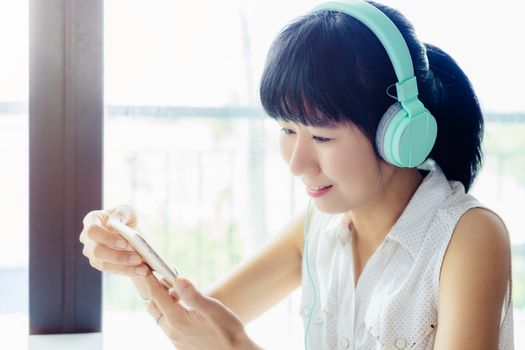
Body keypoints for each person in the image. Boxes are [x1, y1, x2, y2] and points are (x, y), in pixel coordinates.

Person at [79, 0, 514, 349]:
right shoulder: (319, 228)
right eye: (288, 129)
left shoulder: (466, 238)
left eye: (322, 137)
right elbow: (195, 324)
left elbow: (221, 340)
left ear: (398, 133)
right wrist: (132, 260)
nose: (296, 163)